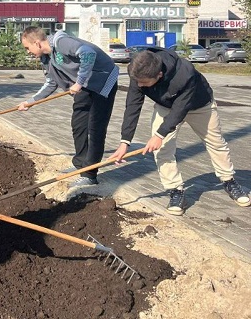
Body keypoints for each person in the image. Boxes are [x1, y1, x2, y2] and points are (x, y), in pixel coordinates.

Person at [113, 48, 250, 215]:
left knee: (215, 143)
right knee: (162, 150)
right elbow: (133, 106)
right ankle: (175, 190)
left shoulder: (185, 74)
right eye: (138, 82)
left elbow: (180, 109)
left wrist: (159, 135)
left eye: (144, 83)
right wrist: (124, 142)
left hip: (199, 105)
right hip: (165, 106)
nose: (140, 86)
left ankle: (228, 180)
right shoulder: (138, 70)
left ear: (159, 76)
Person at [18, 26, 119, 187]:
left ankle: (90, 174)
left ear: (36, 43)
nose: (27, 51)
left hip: (103, 80)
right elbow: (51, 82)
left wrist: (78, 83)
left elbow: (88, 53)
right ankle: (80, 164)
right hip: (85, 85)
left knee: (95, 128)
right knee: (78, 124)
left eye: (27, 47)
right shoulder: (47, 58)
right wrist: (31, 101)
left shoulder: (61, 42)